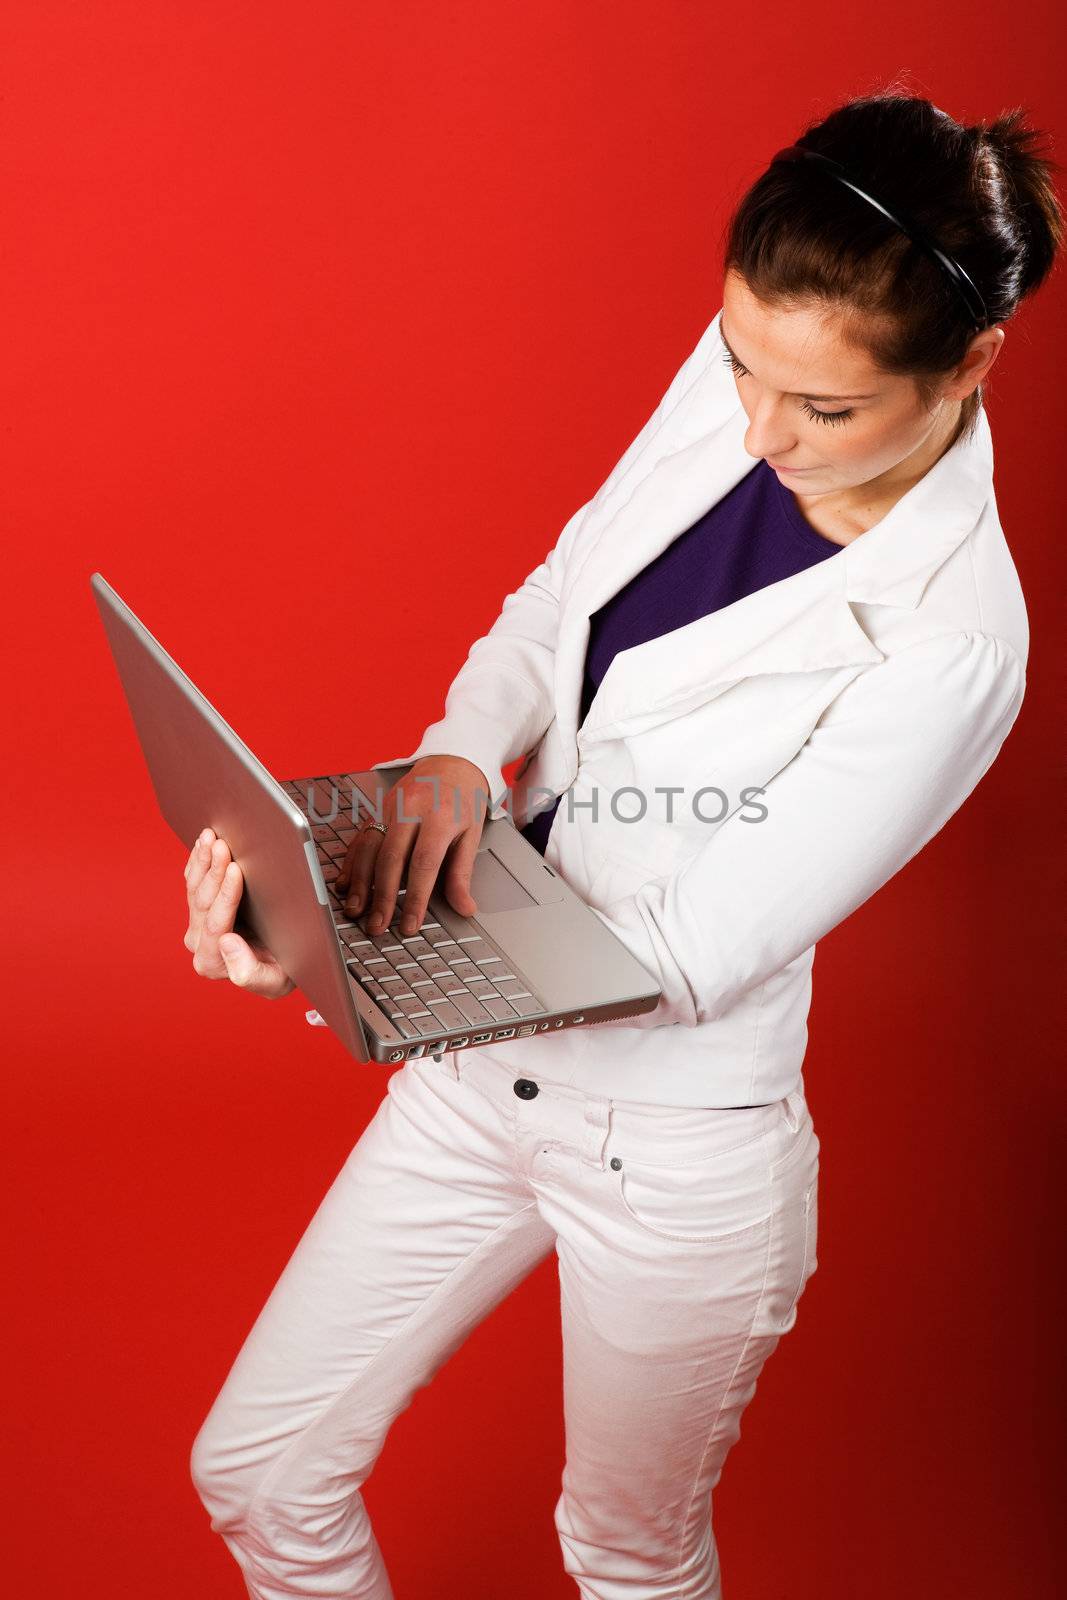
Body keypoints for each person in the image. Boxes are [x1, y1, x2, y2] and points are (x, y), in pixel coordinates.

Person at [186, 92, 1061, 1599]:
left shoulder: (954, 643)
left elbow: (682, 956)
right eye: (739, 367)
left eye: (827, 413)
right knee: (255, 1474)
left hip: (669, 1156)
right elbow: (557, 598)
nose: (761, 434)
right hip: (478, 1081)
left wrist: (345, 952)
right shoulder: (758, 372)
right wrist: (456, 760)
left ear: (971, 364)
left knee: (625, 1557)